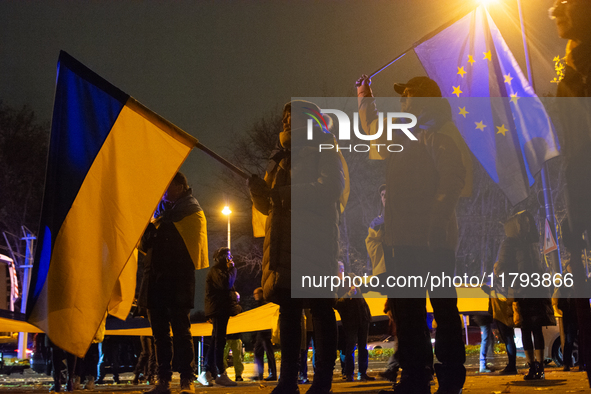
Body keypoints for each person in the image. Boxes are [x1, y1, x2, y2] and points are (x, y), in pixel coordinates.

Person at [356, 75, 468, 394]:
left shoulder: (439, 136)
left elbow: (452, 180)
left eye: (407, 94)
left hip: (432, 242)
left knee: (443, 309)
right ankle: (416, 376)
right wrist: (365, 94)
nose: (403, 100)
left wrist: (435, 223)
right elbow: (372, 125)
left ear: (422, 99)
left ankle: (449, 378)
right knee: (408, 311)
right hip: (401, 243)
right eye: (402, 95)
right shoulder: (402, 136)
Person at [248, 100, 346, 394]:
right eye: (285, 117)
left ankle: (322, 380)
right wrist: (258, 194)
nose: (288, 121)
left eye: (294, 116)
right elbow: (269, 205)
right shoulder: (278, 156)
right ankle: (288, 380)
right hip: (283, 241)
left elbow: (331, 187)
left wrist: (280, 195)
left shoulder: (326, 145)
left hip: (314, 239)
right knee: (288, 311)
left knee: (320, 307)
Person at [140, 172, 209, 394]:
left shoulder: (192, 211)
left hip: (178, 281)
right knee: (159, 334)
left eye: (167, 187)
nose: (163, 192)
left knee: (181, 332)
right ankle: (163, 379)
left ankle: (187, 379)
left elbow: (191, 245)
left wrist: (161, 226)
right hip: (155, 280)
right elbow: (145, 244)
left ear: (179, 186)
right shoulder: (158, 214)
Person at [551, 0, 591, 377]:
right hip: (577, 170)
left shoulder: (581, 61)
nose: (556, 17)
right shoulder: (574, 60)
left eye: (563, 11)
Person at [495, 210, 556, 380]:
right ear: (517, 225)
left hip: (536, 291)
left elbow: (539, 266)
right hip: (521, 293)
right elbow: (501, 269)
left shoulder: (533, 243)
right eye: (524, 222)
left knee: (537, 329)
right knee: (526, 328)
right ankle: (532, 366)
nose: (527, 225)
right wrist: (517, 279)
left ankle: (540, 366)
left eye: (529, 222)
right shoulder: (509, 244)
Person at [198, 247, 241, 387]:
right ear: (219, 257)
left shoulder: (220, 271)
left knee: (217, 339)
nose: (230, 258)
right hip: (218, 309)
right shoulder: (217, 271)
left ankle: (206, 372)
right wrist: (233, 269)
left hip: (220, 309)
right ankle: (220, 373)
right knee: (219, 340)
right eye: (227, 255)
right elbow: (226, 284)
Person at [335, 261, 374, 382]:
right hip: (350, 320)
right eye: (339, 269)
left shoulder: (351, 277)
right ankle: (349, 373)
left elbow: (362, 291)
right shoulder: (335, 284)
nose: (342, 271)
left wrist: (358, 287)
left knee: (363, 347)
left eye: (342, 268)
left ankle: (362, 373)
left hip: (363, 317)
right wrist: (348, 294)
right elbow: (336, 303)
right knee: (350, 346)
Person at [251, 287, 277, 381]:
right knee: (258, 353)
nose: (254, 296)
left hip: (266, 332)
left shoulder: (266, 304)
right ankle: (260, 374)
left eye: (256, 294)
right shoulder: (259, 304)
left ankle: (272, 374)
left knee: (269, 353)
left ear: (261, 293)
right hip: (260, 333)